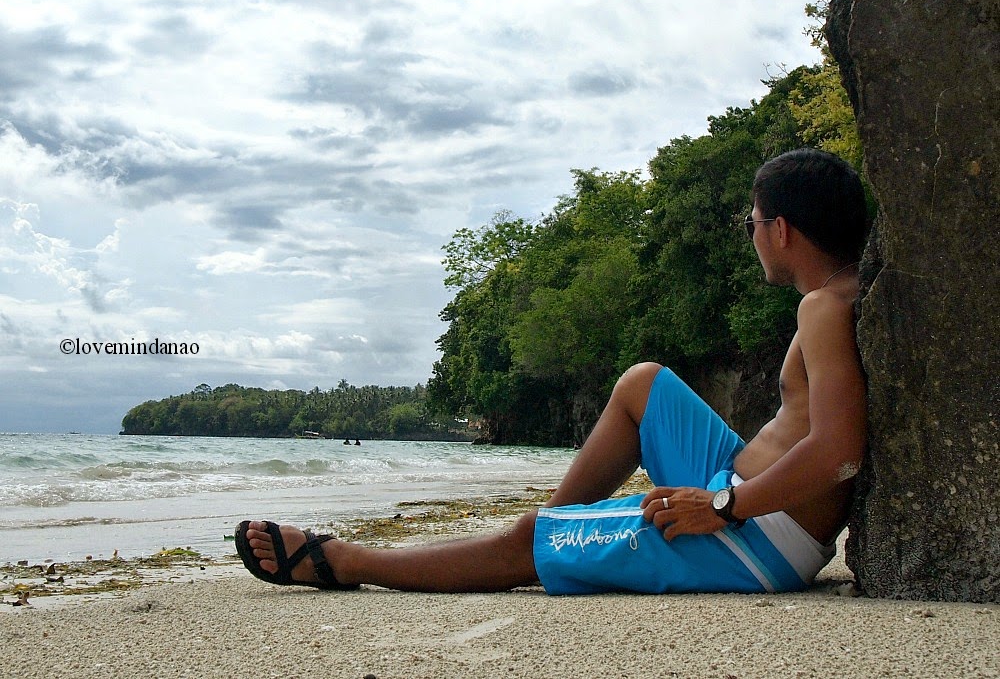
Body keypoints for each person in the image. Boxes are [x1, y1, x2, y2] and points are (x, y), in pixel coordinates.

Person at [235, 148, 868, 595]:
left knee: (528, 541)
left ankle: (346, 561)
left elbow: (840, 449)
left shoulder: (821, 308)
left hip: (757, 538)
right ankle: (546, 536)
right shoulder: (838, 294)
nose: (750, 234)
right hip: (754, 500)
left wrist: (724, 506)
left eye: (752, 222)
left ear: (780, 230)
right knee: (641, 383)